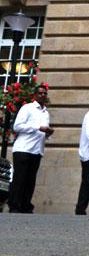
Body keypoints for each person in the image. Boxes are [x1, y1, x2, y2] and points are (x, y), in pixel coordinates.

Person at [7, 85, 53, 213]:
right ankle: (14, 206)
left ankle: (25, 205)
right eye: (40, 93)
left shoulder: (46, 113)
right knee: (19, 178)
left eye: (45, 93)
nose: (43, 95)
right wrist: (38, 127)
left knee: (30, 179)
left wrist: (47, 133)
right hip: (23, 149)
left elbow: (42, 131)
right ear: (34, 95)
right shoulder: (27, 108)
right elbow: (17, 126)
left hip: (37, 150)